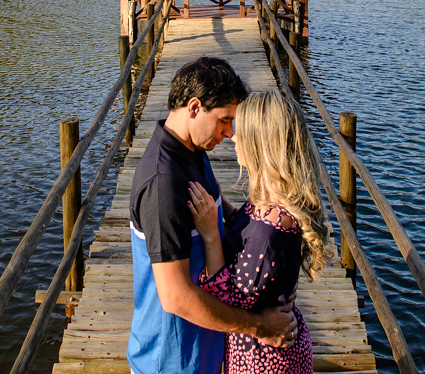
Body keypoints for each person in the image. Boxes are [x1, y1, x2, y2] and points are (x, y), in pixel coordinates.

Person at [128, 58, 299, 374]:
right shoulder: (163, 184)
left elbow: (227, 217)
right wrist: (259, 327)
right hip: (172, 360)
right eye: (224, 120)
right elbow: (175, 297)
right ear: (194, 108)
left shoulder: (194, 153)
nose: (230, 132)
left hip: (204, 351)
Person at [187, 91, 332, 374]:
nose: (232, 137)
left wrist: (211, 236)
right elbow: (245, 221)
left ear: (262, 145)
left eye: (242, 133)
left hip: (263, 360)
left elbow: (229, 300)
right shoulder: (270, 205)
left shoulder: (269, 234)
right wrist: (216, 200)